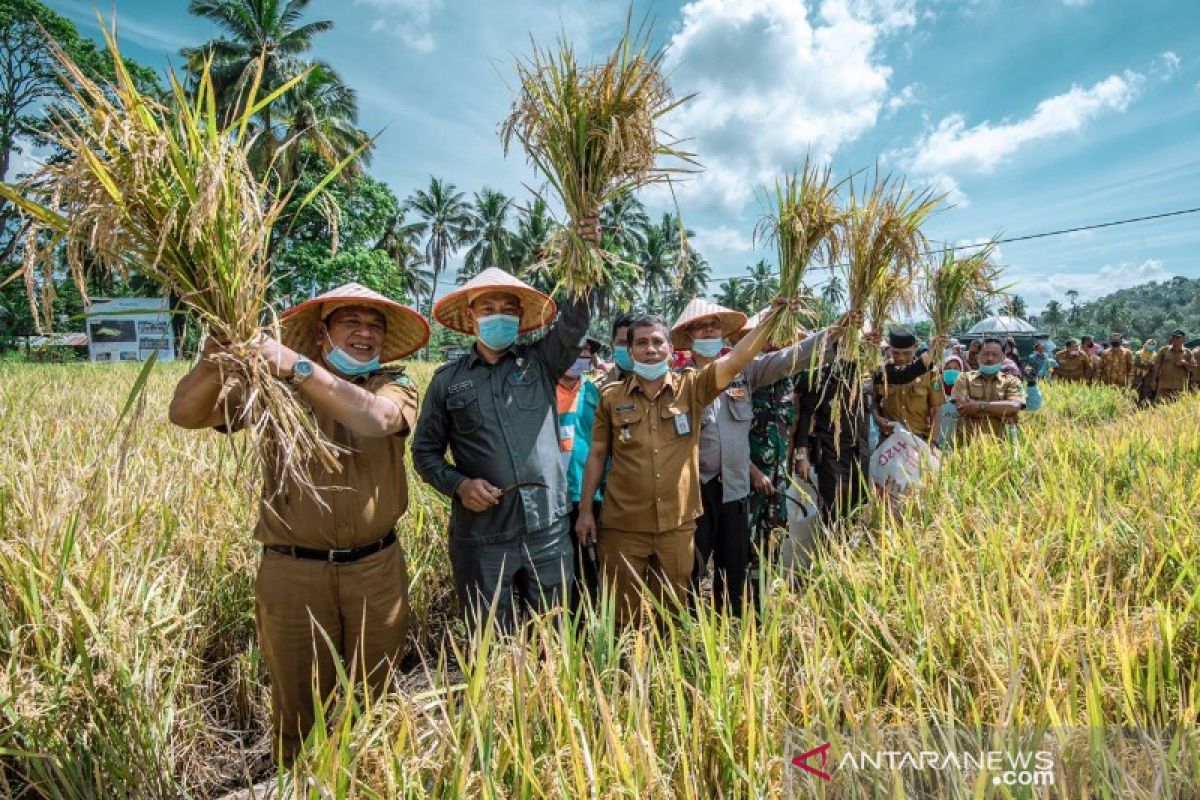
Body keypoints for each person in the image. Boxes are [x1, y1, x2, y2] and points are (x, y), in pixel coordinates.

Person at [168, 283, 429, 763]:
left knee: (370, 705)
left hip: (376, 571)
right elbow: (184, 414)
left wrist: (297, 365)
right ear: (322, 333)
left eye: (375, 325)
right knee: (296, 707)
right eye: (352, 322)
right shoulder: (274, 389)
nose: (365, 333)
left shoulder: (394, 384)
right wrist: (213, 359)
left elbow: (377, 420)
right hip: (293, 574)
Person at [412, 220, 598, 633]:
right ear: (470, 315)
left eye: (509, 308)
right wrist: (459, 485)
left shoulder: (541, 362)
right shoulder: (448, 380)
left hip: (548, 531)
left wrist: (585, 258)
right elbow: (424, 454)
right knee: (489, 642)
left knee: (553, 636)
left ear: (521, 316)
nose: (500, 316)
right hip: (482, 537)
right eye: (488, 308)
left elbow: (574, 321)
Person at [574, 299, 799, 624]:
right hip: (623, 527)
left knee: (672, 615)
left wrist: (770, 319)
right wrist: (585, 512)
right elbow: (597, 455)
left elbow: (737, 359)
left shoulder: (692, 388)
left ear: (669, 349)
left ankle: (670, 670)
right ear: (631, 351)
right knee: (624, 616)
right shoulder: (611, 397)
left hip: (676, 528)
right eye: (641, 342)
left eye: (657, 342)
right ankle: (627, 673)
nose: (650, 349)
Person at [673, 300, 833, 614]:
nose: (710, 330)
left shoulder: (745, 372)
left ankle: (733, 632)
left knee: (735, 566)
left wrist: (835, 333)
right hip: (694, 492)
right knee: (691, 568)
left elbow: (790, 359)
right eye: (701, 326)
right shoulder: (678, 382)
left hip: (734, 487)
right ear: (688, 336)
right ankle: (687, 639)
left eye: (715, 325)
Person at [557, 335, 603, 609]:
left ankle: (585, 627)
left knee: (586, 569)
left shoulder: (594, 392)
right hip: (551, 494)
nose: (580, 356)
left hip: (586, 493)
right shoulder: (542, 390)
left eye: (586, 353)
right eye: (575, 349)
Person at [871, 326, 945, 449]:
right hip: (890, 443)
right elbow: (873, 401)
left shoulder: (930, 372)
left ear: (916, 347)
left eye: (906, 353)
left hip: (920, 441)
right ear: (889, 348)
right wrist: (877, 418)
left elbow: (935, 409)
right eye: (895, 353)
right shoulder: (881, 372)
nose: (901, 358)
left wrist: (933, 442)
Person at [951, 337, 1026, 442]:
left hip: (1002, 444)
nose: (990, 358)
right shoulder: (964, 378)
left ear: (1003, 358)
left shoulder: (1012, 381)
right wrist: (1002, 410)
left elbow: (1014, 407)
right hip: (968, 444)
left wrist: (978, 406)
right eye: (985, 354)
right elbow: (962, 407)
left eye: (995, 354)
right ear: (978, 356)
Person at [1153, 329, 1194, 402]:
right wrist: (1154, 380)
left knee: (1177, 409)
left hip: (1180, 387)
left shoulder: (1188, 352)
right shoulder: (1164, 350)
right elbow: (1157, 365)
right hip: (1164, 386)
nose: (1175, 339)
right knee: (1161, 407)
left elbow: (1192, 369)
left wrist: (1184, 363)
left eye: (1178, 338)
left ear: (1183, 339)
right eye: (1173, 337)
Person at [598, 312, 636, 389]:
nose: (628, 349)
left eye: (633, 343)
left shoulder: (658, 382)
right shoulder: (600, 385)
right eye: (622, 343)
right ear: (612, 345)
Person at [1133, 339, 1157, 406]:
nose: (1151, 346)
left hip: (1149, 378)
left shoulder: (1155, 355)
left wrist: (1144, 364)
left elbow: (1154, 366)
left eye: (1153, 345)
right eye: (1149, 344)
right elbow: (1136, 363)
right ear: (1145, 344)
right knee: (1136, 392)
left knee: (1147, 393)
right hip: (1138, 376)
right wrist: (1147, 365)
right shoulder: (1138, 353)